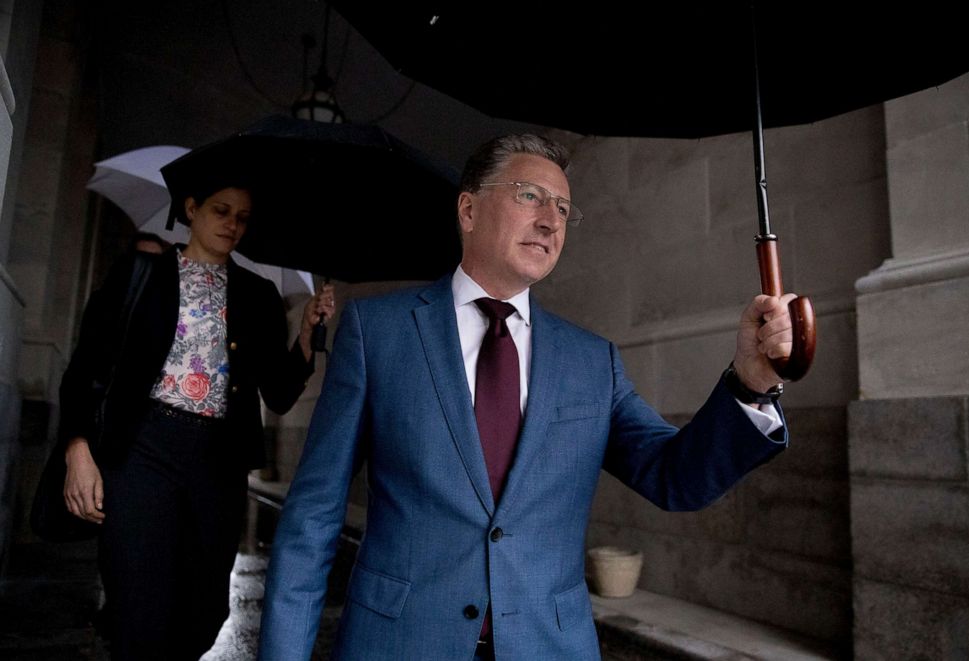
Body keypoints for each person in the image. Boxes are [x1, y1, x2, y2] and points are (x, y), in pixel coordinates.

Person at [258, 134, 795, 661]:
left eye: (563, 207)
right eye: (529, 196)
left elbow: (676, 477)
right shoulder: (377, 333)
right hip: (400, 641)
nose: (551, 219)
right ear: (468, 210)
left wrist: (749, 383)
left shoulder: (592, 361)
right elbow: (312, 519)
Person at [59, 173, 336, 660]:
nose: (232, 224)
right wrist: (77, 447)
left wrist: (306, 337)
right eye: (221, 210)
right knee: (135, 598)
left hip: (217, 460)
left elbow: (279, 392)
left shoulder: (258, 295)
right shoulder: (138, 275)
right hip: (142, 449)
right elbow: (87, 367)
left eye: (243, 218)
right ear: (191, 209)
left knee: (206, 606)